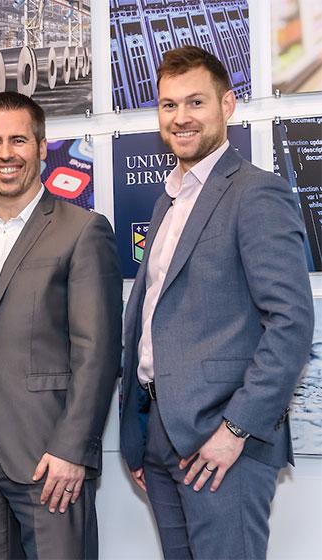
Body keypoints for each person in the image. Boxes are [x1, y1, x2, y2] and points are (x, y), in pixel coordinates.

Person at [118, 46, 313, 559]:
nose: (180, 118)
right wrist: (142, 433)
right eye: (168, 105)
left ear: (228, 106)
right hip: (160, 438)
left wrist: (236, 430)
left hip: (224, 444)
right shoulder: (168, 201)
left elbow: (291, 323)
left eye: (195, 102)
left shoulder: (256, 194)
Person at [0, 91, 123, 559]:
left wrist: (73, 448)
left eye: (18, 139)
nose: (5, 153)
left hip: (48, 455)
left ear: (40, 146)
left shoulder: (82, 229)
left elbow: (96, 354)